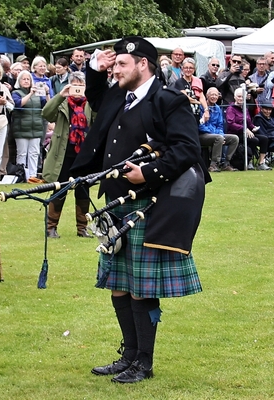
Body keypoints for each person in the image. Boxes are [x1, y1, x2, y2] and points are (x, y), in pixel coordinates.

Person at [71, 36, 208, 383]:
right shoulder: (120, 96)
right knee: (118, 283)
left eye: (121, 64)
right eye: (114, 64)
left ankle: (143, 364)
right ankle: (128, 355)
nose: (115, 69)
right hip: (115, 202)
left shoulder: (169, 101)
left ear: (142, 64)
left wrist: (147, 172)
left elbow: (188, 149)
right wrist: (94, 69)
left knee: (142, 287)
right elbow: (97, 97)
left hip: (149, 203)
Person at [42, 71, 94, 238]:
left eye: (81, 85)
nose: (78, 89)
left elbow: (99, 119)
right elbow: (47, 113)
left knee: (83, 190)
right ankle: (51, 227)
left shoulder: (90, 103)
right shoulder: (63, 102)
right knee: (60, 189)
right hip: (63, 154)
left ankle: (82, 228)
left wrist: (93, 96)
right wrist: (60, 95)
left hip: (83, 155)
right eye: (75, 85)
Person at [12, 70, 50, 181]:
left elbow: (47, 106)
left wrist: (47, 93)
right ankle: (21, 175)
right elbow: (19, 104)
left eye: (28, 79)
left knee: (34, 153)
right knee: (22, 153)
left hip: (36, 127)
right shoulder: (16, 93)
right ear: (19, 81)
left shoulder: (37, 93)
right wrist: (30, 94)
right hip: (21, 128)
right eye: (24, 79)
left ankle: (32, 176)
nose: (26, 81)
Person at [226, 87, 271, 170]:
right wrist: (244, 129)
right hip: (235, 133)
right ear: (235, 97)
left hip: (246, 132)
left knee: (264, 138)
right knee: (254, 140)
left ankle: (261, 162)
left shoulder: (245, 109)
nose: (240, 98)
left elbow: (249, 123)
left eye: (242, 96)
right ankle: (249, 161)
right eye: (239, 96)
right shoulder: (231, 109)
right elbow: (231, 124)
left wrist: (253, 128)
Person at [198, 87, 239, 172]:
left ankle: (226, 163)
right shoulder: (201, 107)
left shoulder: (218, 108)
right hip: (202, 135)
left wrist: (221, 134)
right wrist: (217, 135)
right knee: (218, 138)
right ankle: (213, 165)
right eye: (212, 94)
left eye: (216, 95)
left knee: (234, 138)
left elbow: (220, 125)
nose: (214, 97)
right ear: (207, 96)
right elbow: (200, 125)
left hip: (216, 135)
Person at [171, 57, 209, 124]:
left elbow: (201, 96)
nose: (188, 70)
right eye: (186, 68)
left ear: (194, 69)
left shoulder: (197, 81)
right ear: (182, 69)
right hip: (185, 115)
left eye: (190, 68)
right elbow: (186, 98)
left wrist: (206, 110)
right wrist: (198, 102)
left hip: (196, 114)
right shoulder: (179, 82)